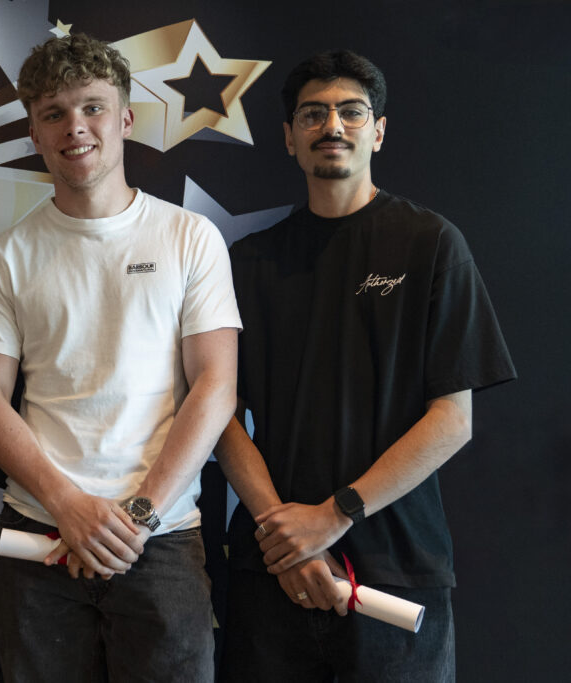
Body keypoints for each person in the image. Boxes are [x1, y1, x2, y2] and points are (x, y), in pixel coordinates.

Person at [215, 50, 516, 681]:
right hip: (272, 573)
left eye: (351, 112)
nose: (333, 126)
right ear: (290, 137)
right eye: (313, 114)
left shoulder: (431, 244)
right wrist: (285, 539)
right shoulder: (248, 262)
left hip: (397, 569)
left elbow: (452, 421)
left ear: (377, 131)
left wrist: (330, 518)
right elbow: (219, 413)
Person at [0, 34, 240, 681]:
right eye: (54, 113)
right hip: (42, 533)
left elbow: (215, 385)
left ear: (125, 118)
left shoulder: (188, 236)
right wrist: (67, 505)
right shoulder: (10, 252)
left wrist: (138, 516)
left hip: (162, 538)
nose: (75, 127)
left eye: (92, 107)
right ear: (34, 131)